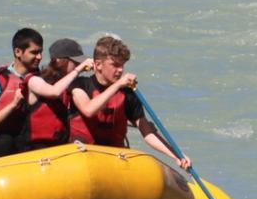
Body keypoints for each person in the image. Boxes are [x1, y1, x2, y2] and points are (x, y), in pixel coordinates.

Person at [68, 35, 190, 169]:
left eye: (122, 65)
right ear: (98, 64)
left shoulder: (127, 94)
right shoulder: (80, 85)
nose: (120, 70)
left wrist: (176, 155)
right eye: (115, 65)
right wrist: (118, 84)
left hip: (113, 158)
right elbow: (88, 110)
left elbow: (148, 133)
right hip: (80, 157)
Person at [0, 27, 44, 158]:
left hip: (34, 141)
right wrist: (13, 104)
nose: (39, 57)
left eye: (40, 52)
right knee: (4, 142)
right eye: (34, 52)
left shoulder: (44, 80)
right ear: (18, 52)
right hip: (5, 142)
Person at [22, 37, 89, 148]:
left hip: (60, 147)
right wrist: (79, 70)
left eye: (80, 63)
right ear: (60, 61)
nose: (78, 66)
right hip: (35, 147)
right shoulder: (34, 80)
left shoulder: (73, 85)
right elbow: (54, 92)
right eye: (76, 63)